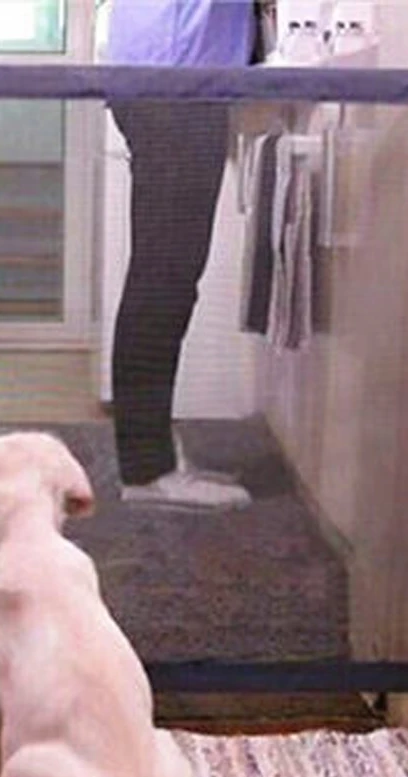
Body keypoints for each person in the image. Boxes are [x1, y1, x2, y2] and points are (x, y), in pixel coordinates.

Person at [104, 0, 256, 509]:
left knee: (164, 274)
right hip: (176, 80)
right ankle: (148, 470)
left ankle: (153, 458)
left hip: (170, 75)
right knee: (164, 277)